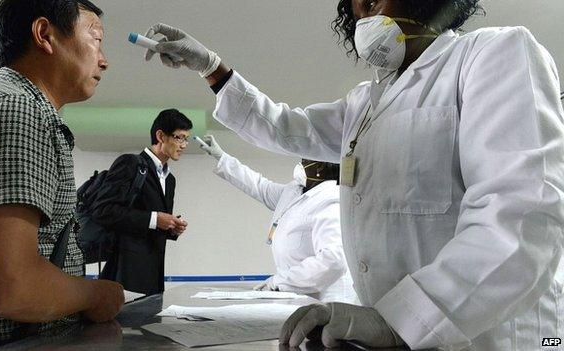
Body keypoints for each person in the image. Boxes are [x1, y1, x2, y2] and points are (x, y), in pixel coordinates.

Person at [142, 0, 564, 349]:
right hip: (391, 335)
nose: (362, 11)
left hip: (484, 337)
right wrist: (213, 68)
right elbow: (287, 126)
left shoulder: (494, 54)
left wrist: (402, 321)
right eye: (355, 7)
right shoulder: (366, 102)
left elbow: (521, 221)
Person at [0, 0, 125, 347]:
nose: (104, 60)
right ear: (45, 35)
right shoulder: (15, 109)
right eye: (96, 39)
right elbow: (7, 286)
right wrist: (95, 295)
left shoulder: (13, 106)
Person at [198, 135, 357, 303]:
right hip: (298, 297)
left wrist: (279, 282)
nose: (301, 163)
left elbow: (334, 260)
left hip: (327, 302)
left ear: (321, 167)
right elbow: (258, 185)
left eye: (306, 159)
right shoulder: (293, 192)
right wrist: (222, 157)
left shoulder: (330, 201)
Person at [90, 109, 191, 295]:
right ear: (160, 135)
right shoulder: (130, 163)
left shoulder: (170, 180)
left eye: (186, 139)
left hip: (154, 273)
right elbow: (103, 210)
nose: (184, 145)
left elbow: (151, 225)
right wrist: (154, 219)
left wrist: (170, 227)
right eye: (179, 137)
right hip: (125, 272)